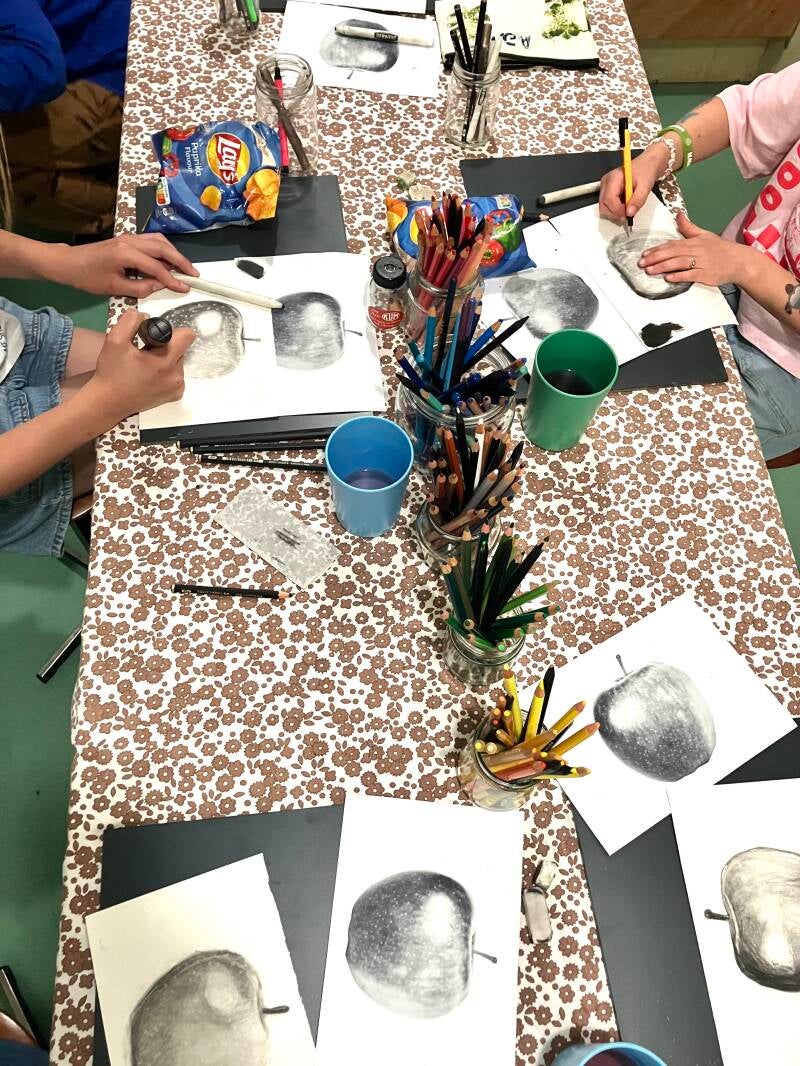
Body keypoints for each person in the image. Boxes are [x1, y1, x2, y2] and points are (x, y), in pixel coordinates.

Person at [599, 62, 800, 462]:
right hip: (729, 274)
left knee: (632, 441)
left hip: (783, 368)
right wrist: (658, 156)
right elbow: (745, 112)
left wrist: (747, 266)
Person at [0, 218, 198, 556]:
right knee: (171, 433)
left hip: (10, 335)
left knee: (183, 380)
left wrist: (61, 259)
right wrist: (105, 403)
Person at [0, 0, 130, 235]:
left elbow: (41, 65)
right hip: (93, 53)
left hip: (124, 70)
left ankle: (132, 216)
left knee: (5, 170)